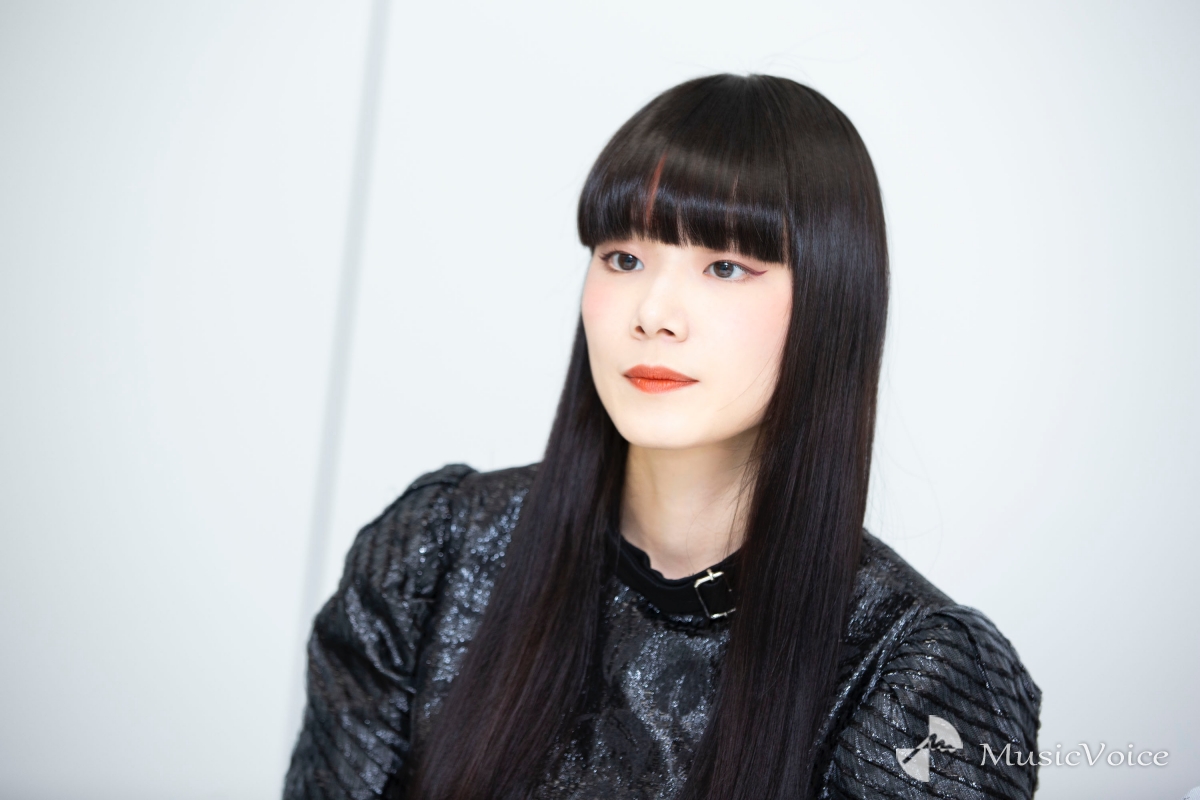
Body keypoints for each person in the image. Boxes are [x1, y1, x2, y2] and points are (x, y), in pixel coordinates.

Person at [283, 74, 1041, 800]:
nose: (653, 314)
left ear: (831, 300)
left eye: (726, 267)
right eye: (623, 258)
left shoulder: (915, 674)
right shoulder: (435, 555)